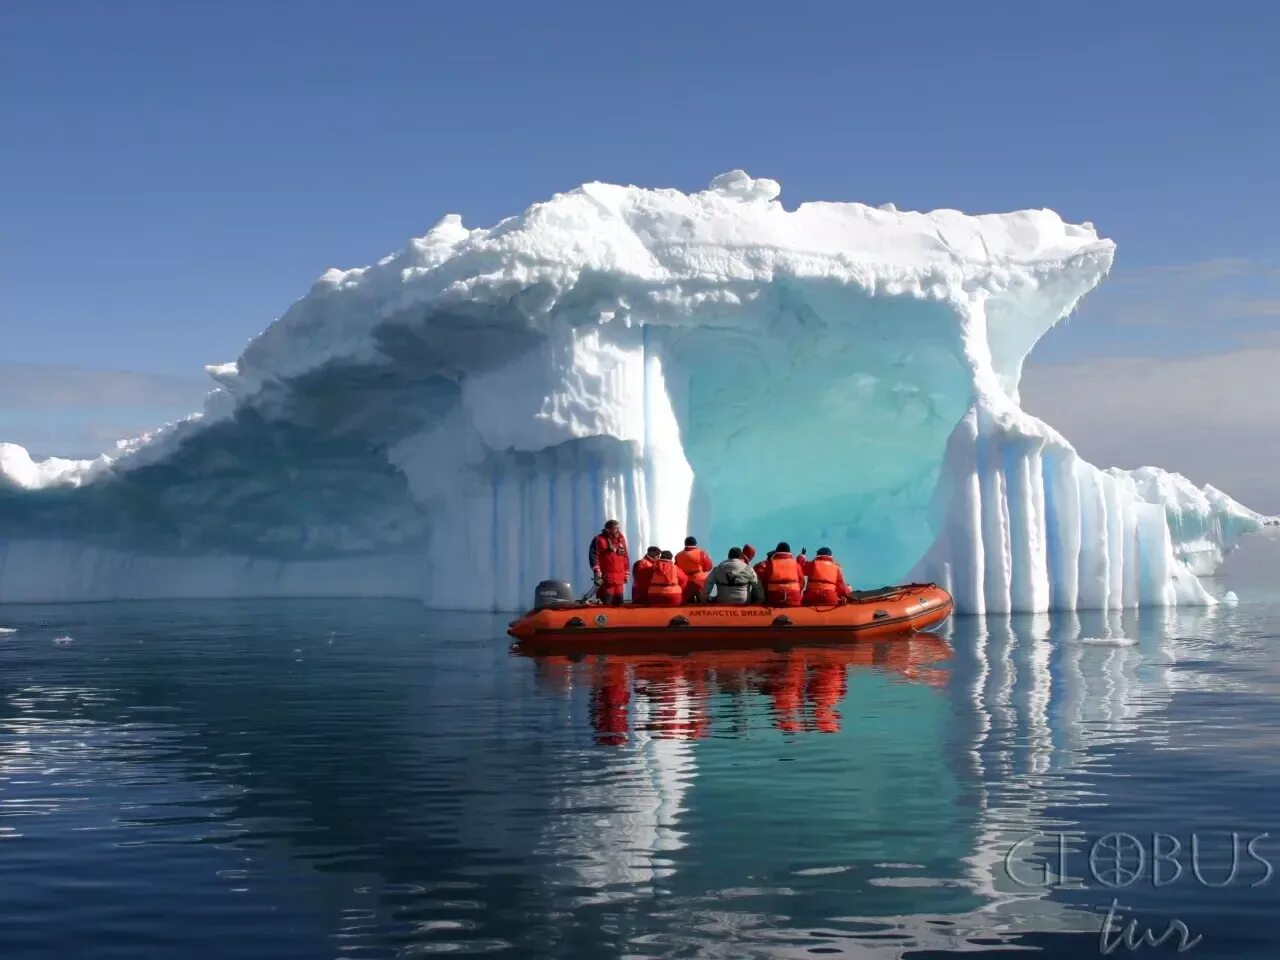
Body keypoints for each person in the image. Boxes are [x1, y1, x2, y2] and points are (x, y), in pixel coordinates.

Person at [589, 519, 629, 606]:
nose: (618, 530)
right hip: (607, 580)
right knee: (606, 604)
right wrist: (597, 570)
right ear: (608, 529)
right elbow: (593, 555)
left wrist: (626, 573)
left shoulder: (621, 540)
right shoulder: (599, 539)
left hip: (619, 580)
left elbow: (625, 557)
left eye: (618, 528)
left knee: (620, 605)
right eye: (615, 528)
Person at [758, 541, 805, 607]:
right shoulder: (796, 564)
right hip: (794, 599)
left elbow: (764, 582)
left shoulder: (771, 564)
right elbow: (802, 582)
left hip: (774, 600)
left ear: (776, 552)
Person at [675, 536, 714, 603]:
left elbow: (676, 569)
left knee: (688, 603)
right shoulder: (701, 553)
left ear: (685, 544)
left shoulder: (678, 555)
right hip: (700, 581)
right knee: (702, 602)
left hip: (685, 583)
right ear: (695, 544)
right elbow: (709, 567)